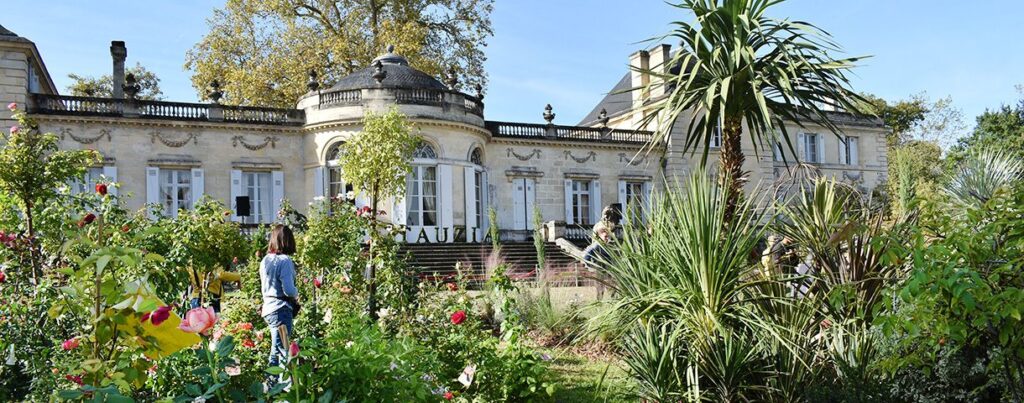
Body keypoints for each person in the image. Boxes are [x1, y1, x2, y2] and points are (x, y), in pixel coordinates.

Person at [260, 225, 299, 387]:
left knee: (277, 347)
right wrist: (296, 293)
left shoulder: (265, 260)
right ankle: (274, 387)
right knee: (280, 350)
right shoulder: (284, 260)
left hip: (268, 307)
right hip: (281, 308)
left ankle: (275, 385)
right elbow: (289, 290)